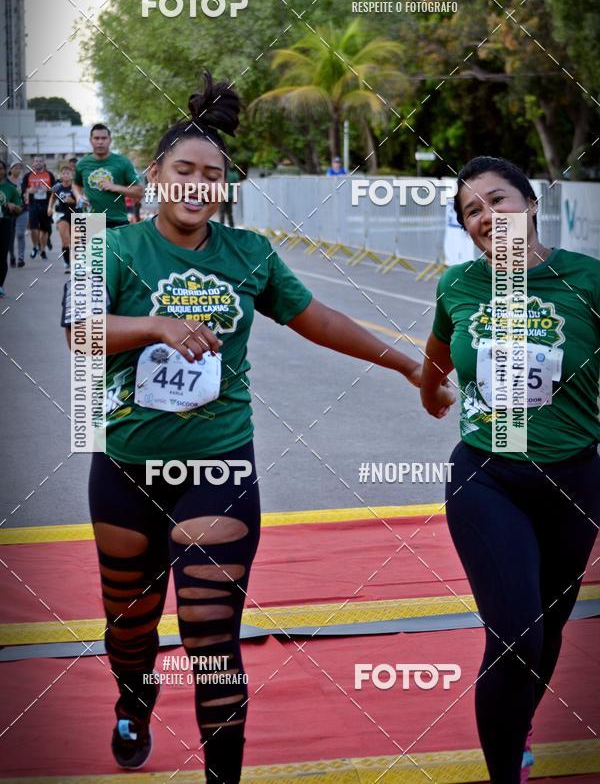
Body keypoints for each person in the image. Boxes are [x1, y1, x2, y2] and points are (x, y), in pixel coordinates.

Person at [61, 71, 448, 783]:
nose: (199, 185)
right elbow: (79, 332)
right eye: (184, 170)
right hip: (124, 465)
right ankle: (132, 695)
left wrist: (405, 364)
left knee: (213, 640)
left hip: (218, 466)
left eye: (213, 176)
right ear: (154, 175)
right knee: (130, 624)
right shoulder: (106, 248)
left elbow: (319, 320)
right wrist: (155, 325)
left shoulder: (251, 257)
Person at [420, 156, 600, 784]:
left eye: (498, 201)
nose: (487, 216)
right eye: (471, 210)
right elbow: (437, 359)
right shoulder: (459, 285)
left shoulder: (587, 280)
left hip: (575, 481)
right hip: (487, 476)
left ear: (531, 205)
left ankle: (517, 720)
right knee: (517, 635)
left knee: (546, 634)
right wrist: (431, 392)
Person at [73, 124, 143, 227]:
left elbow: (140, 192)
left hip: (118, 219)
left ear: (110, 140)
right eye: (96, 138)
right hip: (90, 219)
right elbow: (75, 184)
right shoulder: (81, 164)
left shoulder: (123, 162)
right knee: (76, 242)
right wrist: (78, 197)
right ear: (90, 140)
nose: (100, 142)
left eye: (104, 138)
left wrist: (114, 187)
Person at [22, 156, 56, 259]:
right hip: (33, 204)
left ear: (43, 163)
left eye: (40, 161)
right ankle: (35, 246)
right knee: (33, 228)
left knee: (44, 230)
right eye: (36, 161)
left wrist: (48, 189)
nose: (38, 163)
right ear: (33, 163)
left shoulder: (49, 175)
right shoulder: (28, 176)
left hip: (46, 205)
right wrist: (29, 191)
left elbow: (56, 189)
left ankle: (43, 250)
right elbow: (23, 190)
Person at [0, 161, 24, 297]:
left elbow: (20, 208)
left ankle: (0, 285)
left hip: (4, 223)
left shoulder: (11, 188)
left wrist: (13, 207)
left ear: (5, 171)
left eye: (0, 169)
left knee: (2, 256)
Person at [48, 164, 76, 271]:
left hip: (75, 213)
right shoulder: (57, 187)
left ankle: (75, 261)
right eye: (63, 173)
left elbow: (83, 200)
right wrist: (49, 208)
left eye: (68, 173)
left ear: (72, 175)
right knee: (65, 239)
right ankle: (66, 261)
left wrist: (73, 201)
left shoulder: (76, 187)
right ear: (61, 175)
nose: (65, 175)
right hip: (61, 214)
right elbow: (52, 197)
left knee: (75, 241)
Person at [6, 161, 24, 267]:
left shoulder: (23, 181)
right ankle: (12, 255)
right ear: (11, 169)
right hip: (10, 212)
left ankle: (21, 257)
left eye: (19, 168)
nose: (17, 170)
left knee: (20, 234)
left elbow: (27, 193)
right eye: (15, 168)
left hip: (23, 209)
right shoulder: (6, 182)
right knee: (10, 236)